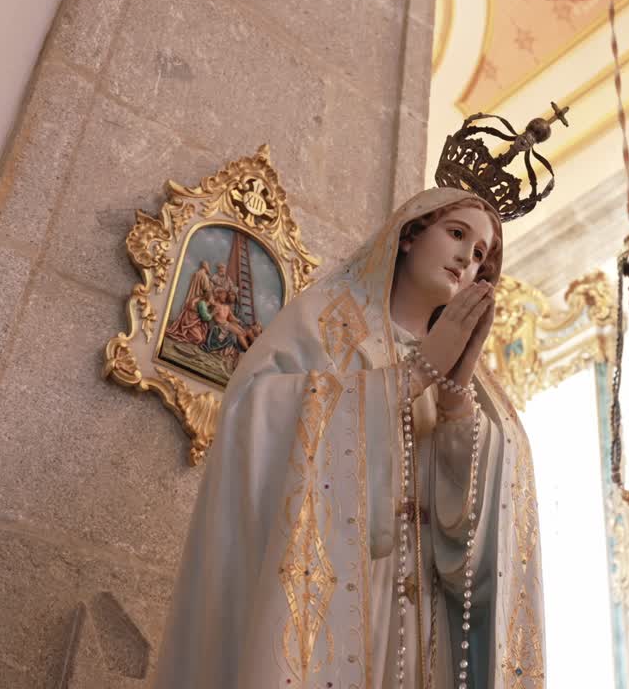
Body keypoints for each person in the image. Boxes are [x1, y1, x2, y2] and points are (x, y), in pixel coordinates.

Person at [151, 187, 546, 689]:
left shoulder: (478, 388)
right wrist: (409, 377)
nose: (469, 256)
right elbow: (255, 416)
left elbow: (474, 531)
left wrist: (455, 398)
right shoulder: (328, 322)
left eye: (482, 255)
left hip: (424, 626)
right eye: (457, 233)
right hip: (341, 593)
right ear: (408, 236)